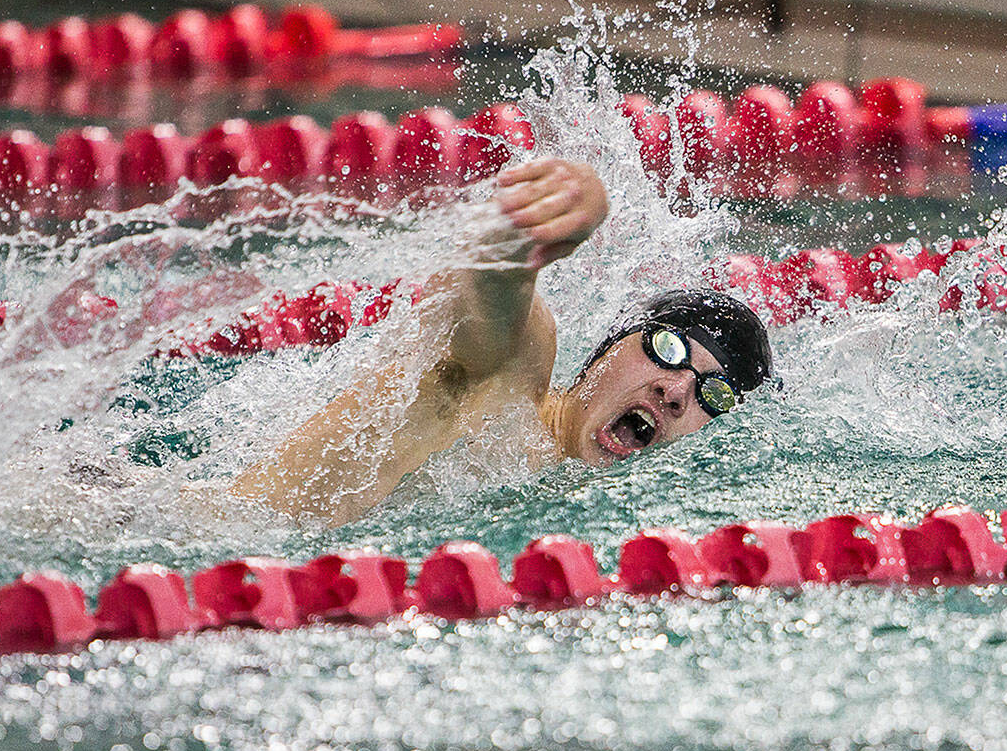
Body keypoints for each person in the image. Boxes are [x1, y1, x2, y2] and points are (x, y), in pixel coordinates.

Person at [232, 158, 772, 525]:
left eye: (714, 394)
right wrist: (540, 219)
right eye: (668, 349)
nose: (677, 392)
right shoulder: (516, 372)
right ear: (609, 349)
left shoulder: (581, 510)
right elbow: (484, 284)